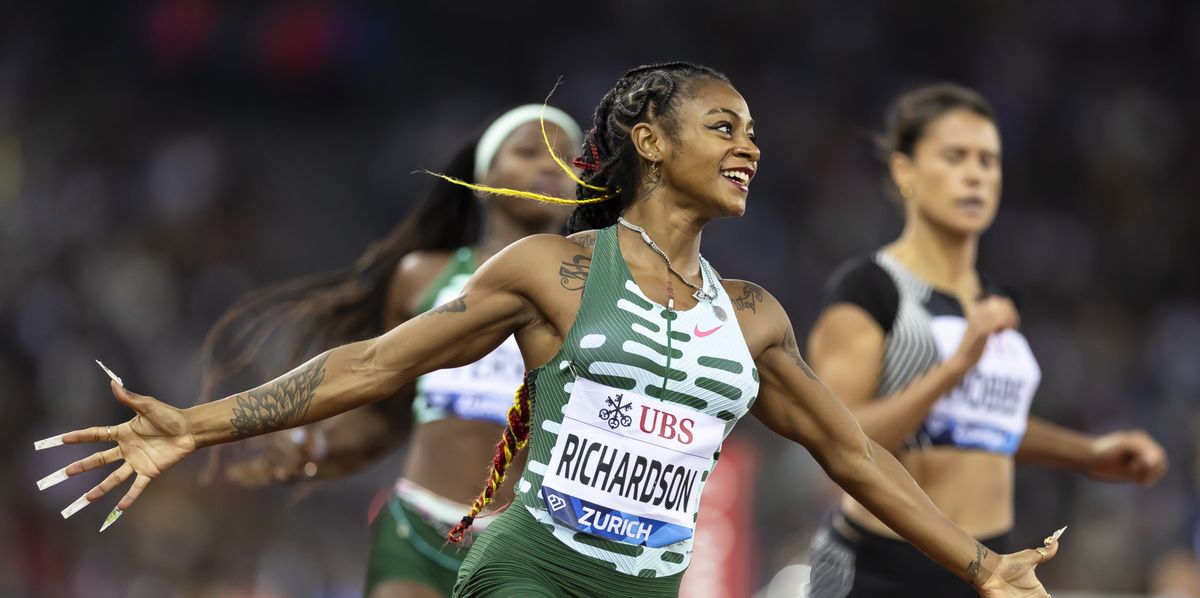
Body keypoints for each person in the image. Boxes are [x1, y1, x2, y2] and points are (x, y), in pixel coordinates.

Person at [39, 63, 1063, 598]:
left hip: (647, 584)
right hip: (529, 568)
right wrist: (197, 425)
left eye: (754, 132)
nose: (751, 146)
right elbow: (377, 363)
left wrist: (979, 564)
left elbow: (853, 452)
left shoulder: (753, 316)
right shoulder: (554, 271)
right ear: (650, 143)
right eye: (724, 127)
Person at [195, 104, 582, 598]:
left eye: (569, 159)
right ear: (485, 177)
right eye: (529, 151)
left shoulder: (597, 295)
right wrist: (318, 446)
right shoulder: (423, 277)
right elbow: (387, 410)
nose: (551, 165)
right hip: (418, 530)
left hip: (528, 551)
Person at [804, 83, 1168, 598]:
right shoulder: (870, 289)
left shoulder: (993, 297)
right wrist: (954, 368)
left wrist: (1089, 454)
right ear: (904, 171)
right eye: (956, 157)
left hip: (990, 568)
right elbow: (833, 439)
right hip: (883, 571)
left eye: (989, 160)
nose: (977, 174)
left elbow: (981, 425)